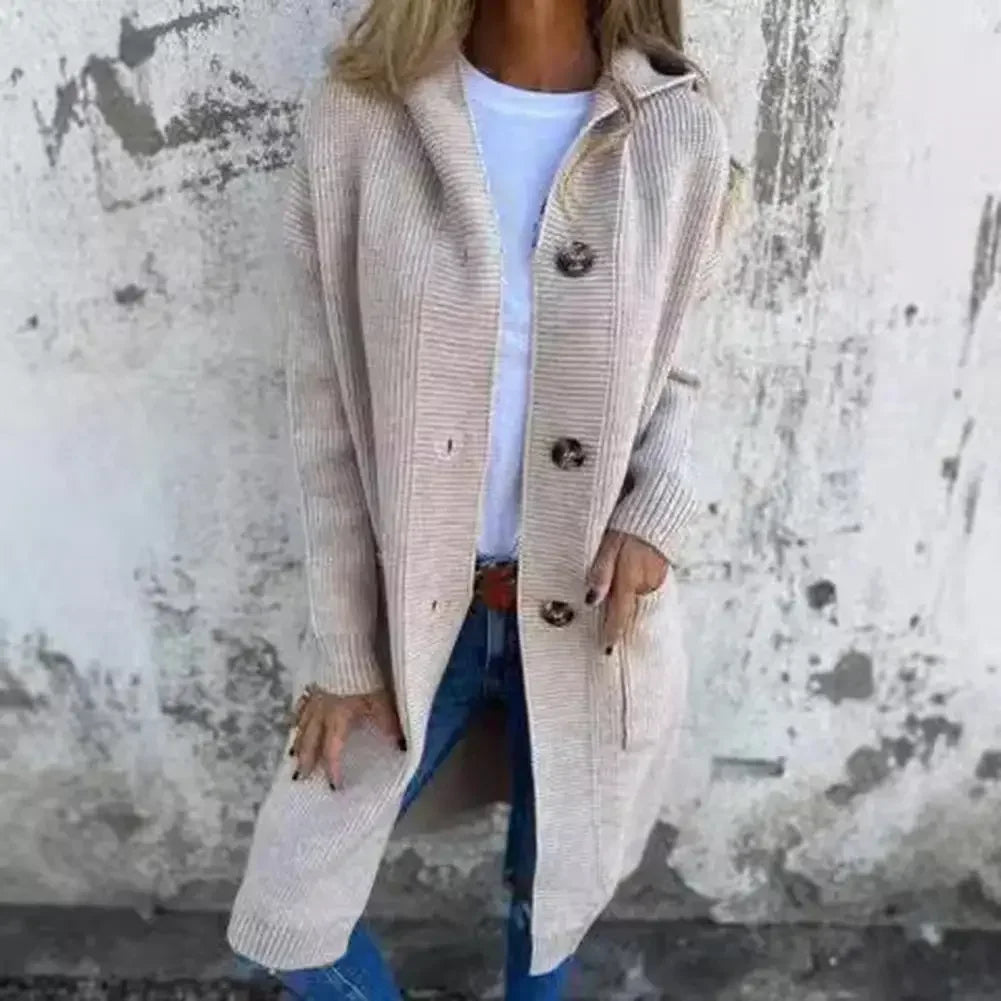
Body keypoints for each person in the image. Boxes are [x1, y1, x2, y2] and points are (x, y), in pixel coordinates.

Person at [228, 0, 731, 996]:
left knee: (547, 901)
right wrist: (343, 653)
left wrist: (654, 511)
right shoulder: (359, 116)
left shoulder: (675, 125)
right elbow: (324, 410)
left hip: (593, 611)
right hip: (420, 618)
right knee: (288, 915)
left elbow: (690, 359)